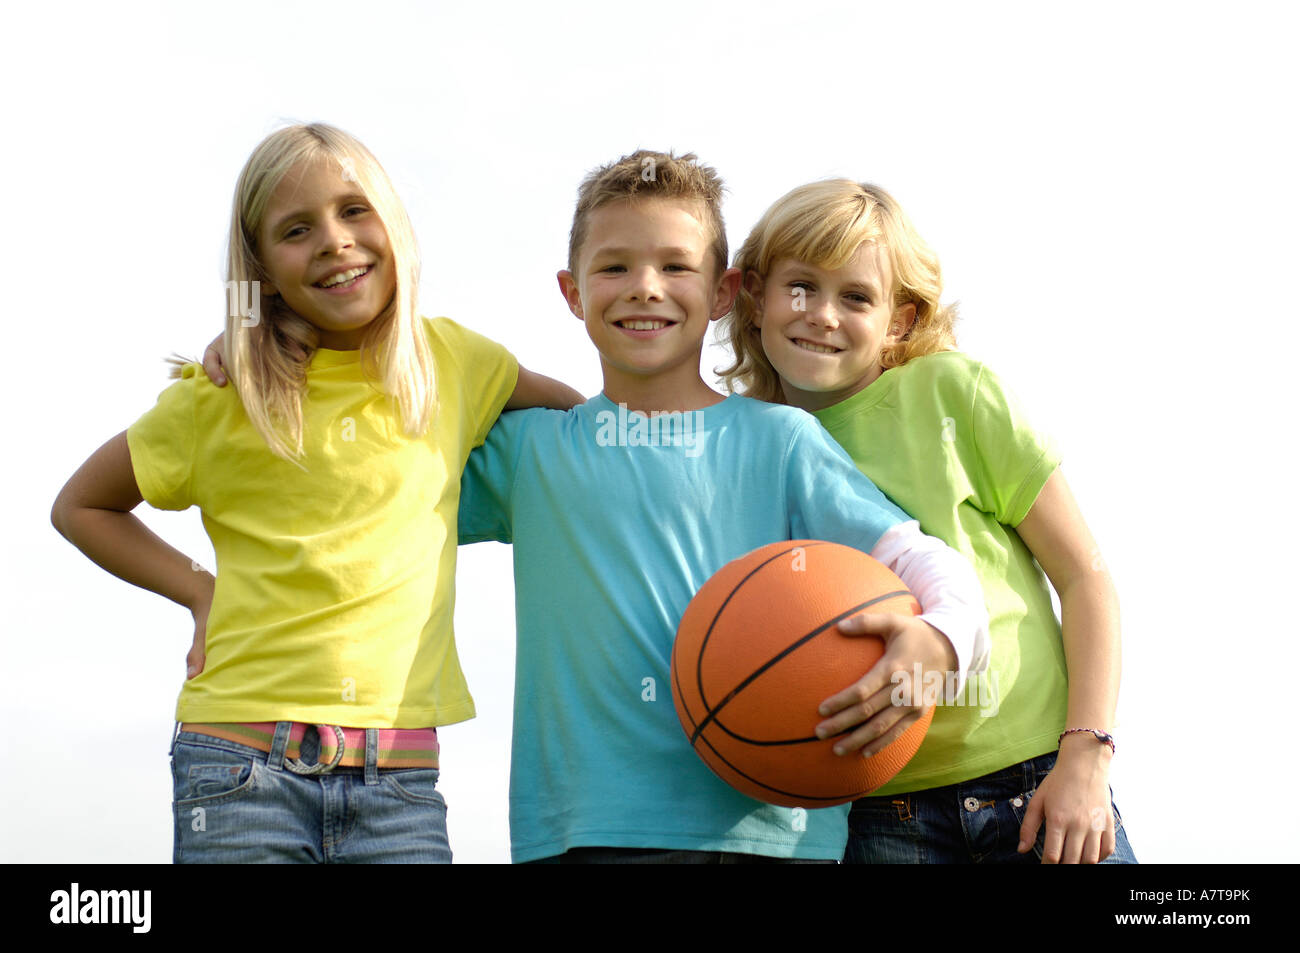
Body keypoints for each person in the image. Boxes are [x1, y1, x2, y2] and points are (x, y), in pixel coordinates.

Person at [50, 122, 580, 863]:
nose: (335, 240)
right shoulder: (221, 395)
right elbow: (81, 506)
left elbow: (579, 422)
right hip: (238, 768)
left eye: (354, 211)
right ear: (261, 270)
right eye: (297, 229)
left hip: (401, 783)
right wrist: (200, 590)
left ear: (394, 224)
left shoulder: (455, 361)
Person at [455, 151, 990, 863]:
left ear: (722, 292)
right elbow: (377, 500)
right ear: (572, 292)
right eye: (615, 267)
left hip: (769, 829)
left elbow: (927, 564)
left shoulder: (780, 440)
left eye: (676, 266)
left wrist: (942, 642)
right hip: (582, 833)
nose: (646, 288)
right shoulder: (531, 452)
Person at [718, 179, 1135, 864]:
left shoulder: (954, 393)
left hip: (1036, 783)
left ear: (901, 320)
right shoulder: (745, 452)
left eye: (855, 296)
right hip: (879, 813)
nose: (822, 314)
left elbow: (1086, 576)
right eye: (800, 287)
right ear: (755, 296)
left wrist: (1085, 759)